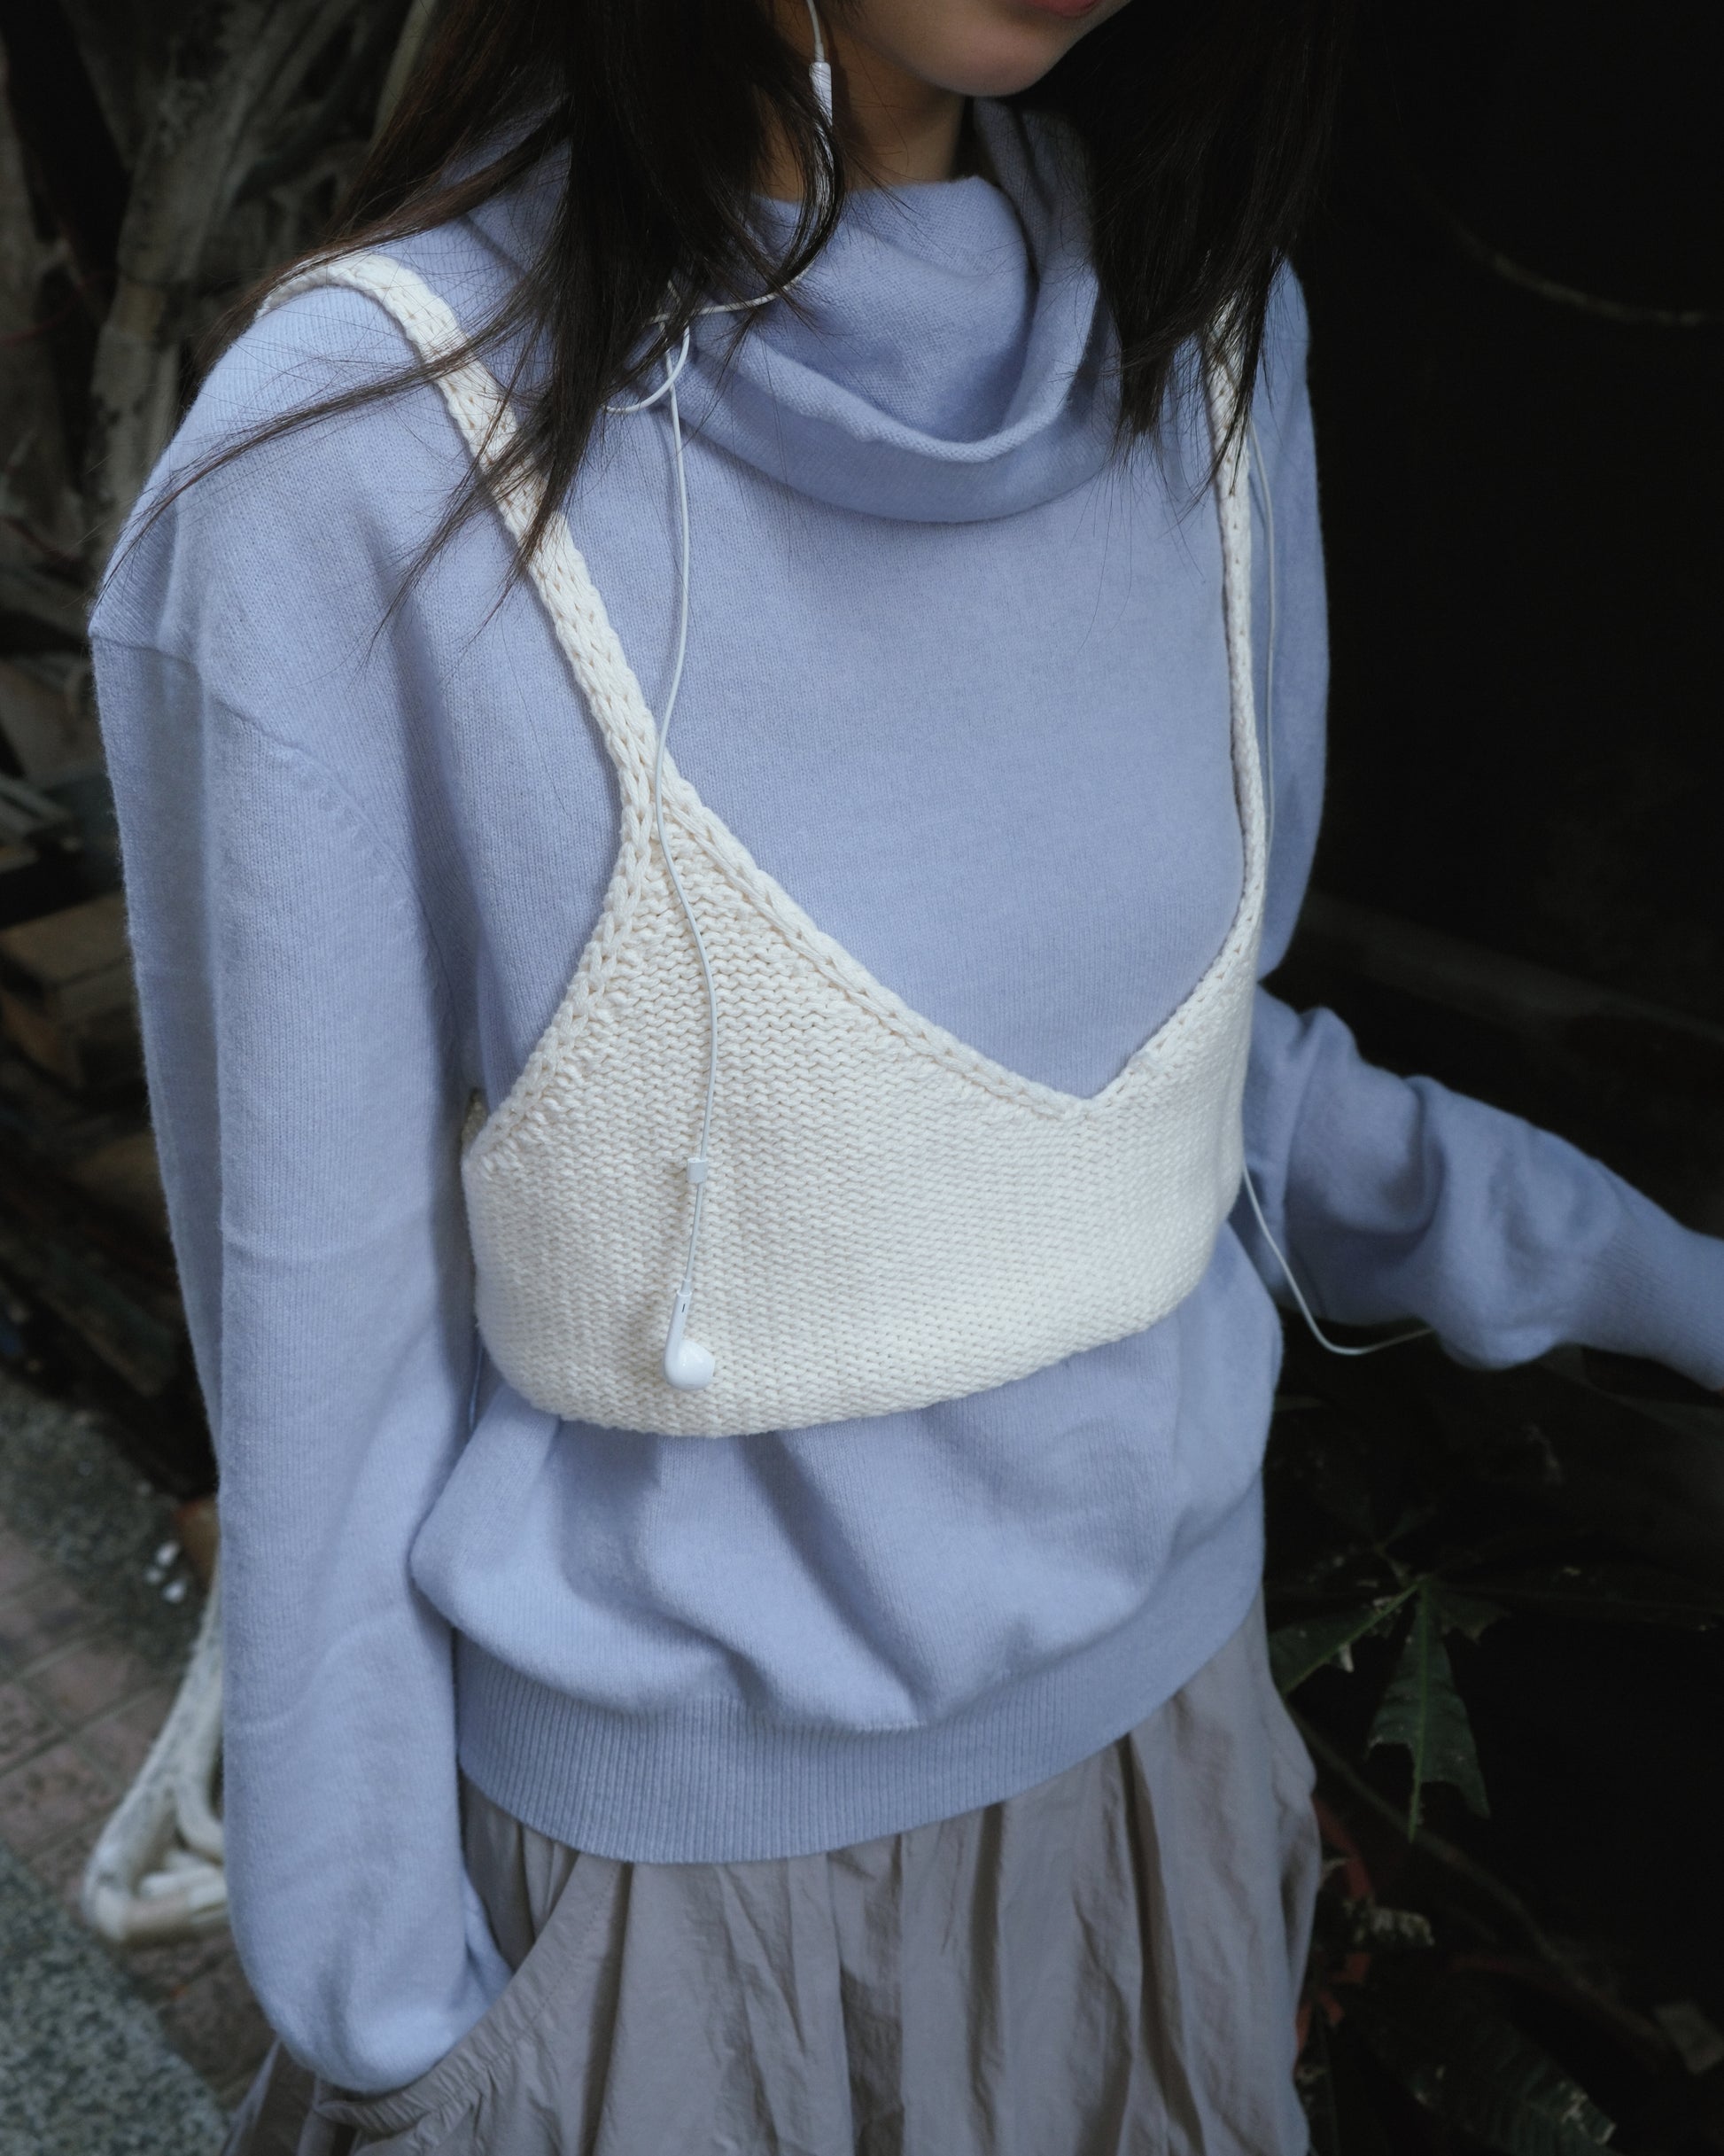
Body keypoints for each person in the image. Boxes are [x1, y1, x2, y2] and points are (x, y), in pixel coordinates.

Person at [91, 1, 1724, 2150]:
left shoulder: (1210, 353)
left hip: (1163, 1789)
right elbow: (324, 1337)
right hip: (661, 1917)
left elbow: (1184, 1091)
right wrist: (398, 2023)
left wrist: (1668, 1279)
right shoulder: (364, 459)